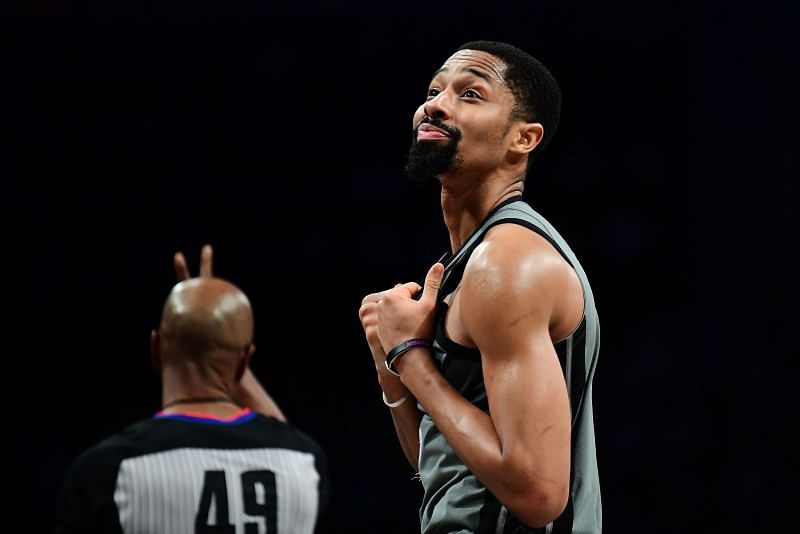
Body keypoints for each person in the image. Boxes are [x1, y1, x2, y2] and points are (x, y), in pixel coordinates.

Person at [358, 41, 601, 533]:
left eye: (470, 94)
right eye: (434, 89)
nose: (436, 103)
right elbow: (443, 466)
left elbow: (537, 494)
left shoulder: (506, 264)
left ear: (523, 139)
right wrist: (393, 373)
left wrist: (410, 356)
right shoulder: (472, 260)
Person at [55, 245, 329, 534]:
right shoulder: (303, 464)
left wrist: (199, 329)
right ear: (245, 361)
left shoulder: (105, 471)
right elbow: (285, 439)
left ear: (155, 349)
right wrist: (221, 339)